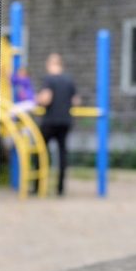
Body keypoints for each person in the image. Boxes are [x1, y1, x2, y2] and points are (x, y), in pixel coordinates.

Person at [36, 53, 79, 196]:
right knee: (62, 154)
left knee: (40, 151)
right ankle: (60, 188)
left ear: (49, 64)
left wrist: (37, 99)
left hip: (50, 121)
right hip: (65, 121)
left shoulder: (49, 79)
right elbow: (75, 101)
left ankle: (38, 186)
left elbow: (46, 99)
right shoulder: (69, 80)